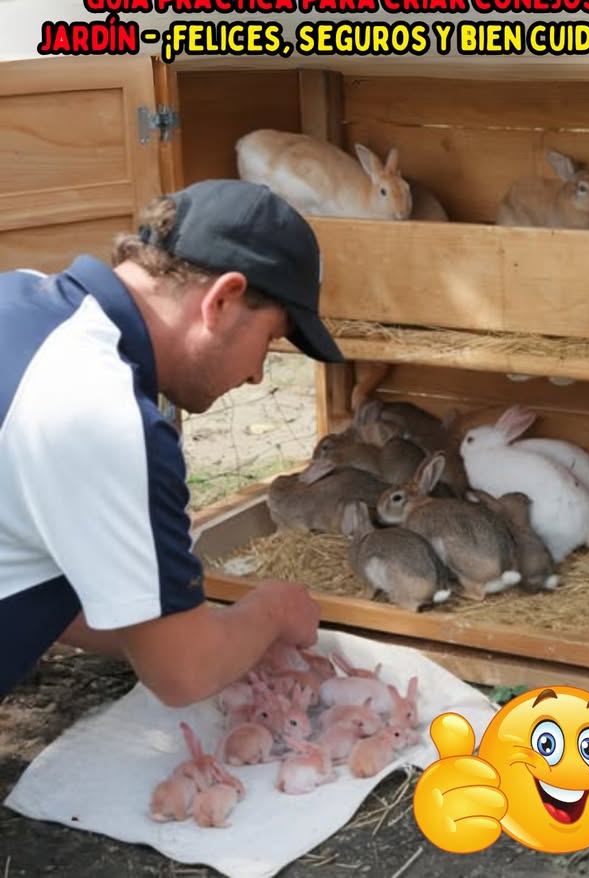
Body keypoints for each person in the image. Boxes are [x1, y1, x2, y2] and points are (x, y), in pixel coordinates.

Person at [0, 178, 344, 706]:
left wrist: (231, 640)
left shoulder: (19, 297)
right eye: (270, 341)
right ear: (223, 300)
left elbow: (41, 579)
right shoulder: (106, 417)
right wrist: (270, 611)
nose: (256, 375)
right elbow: (185, 674)